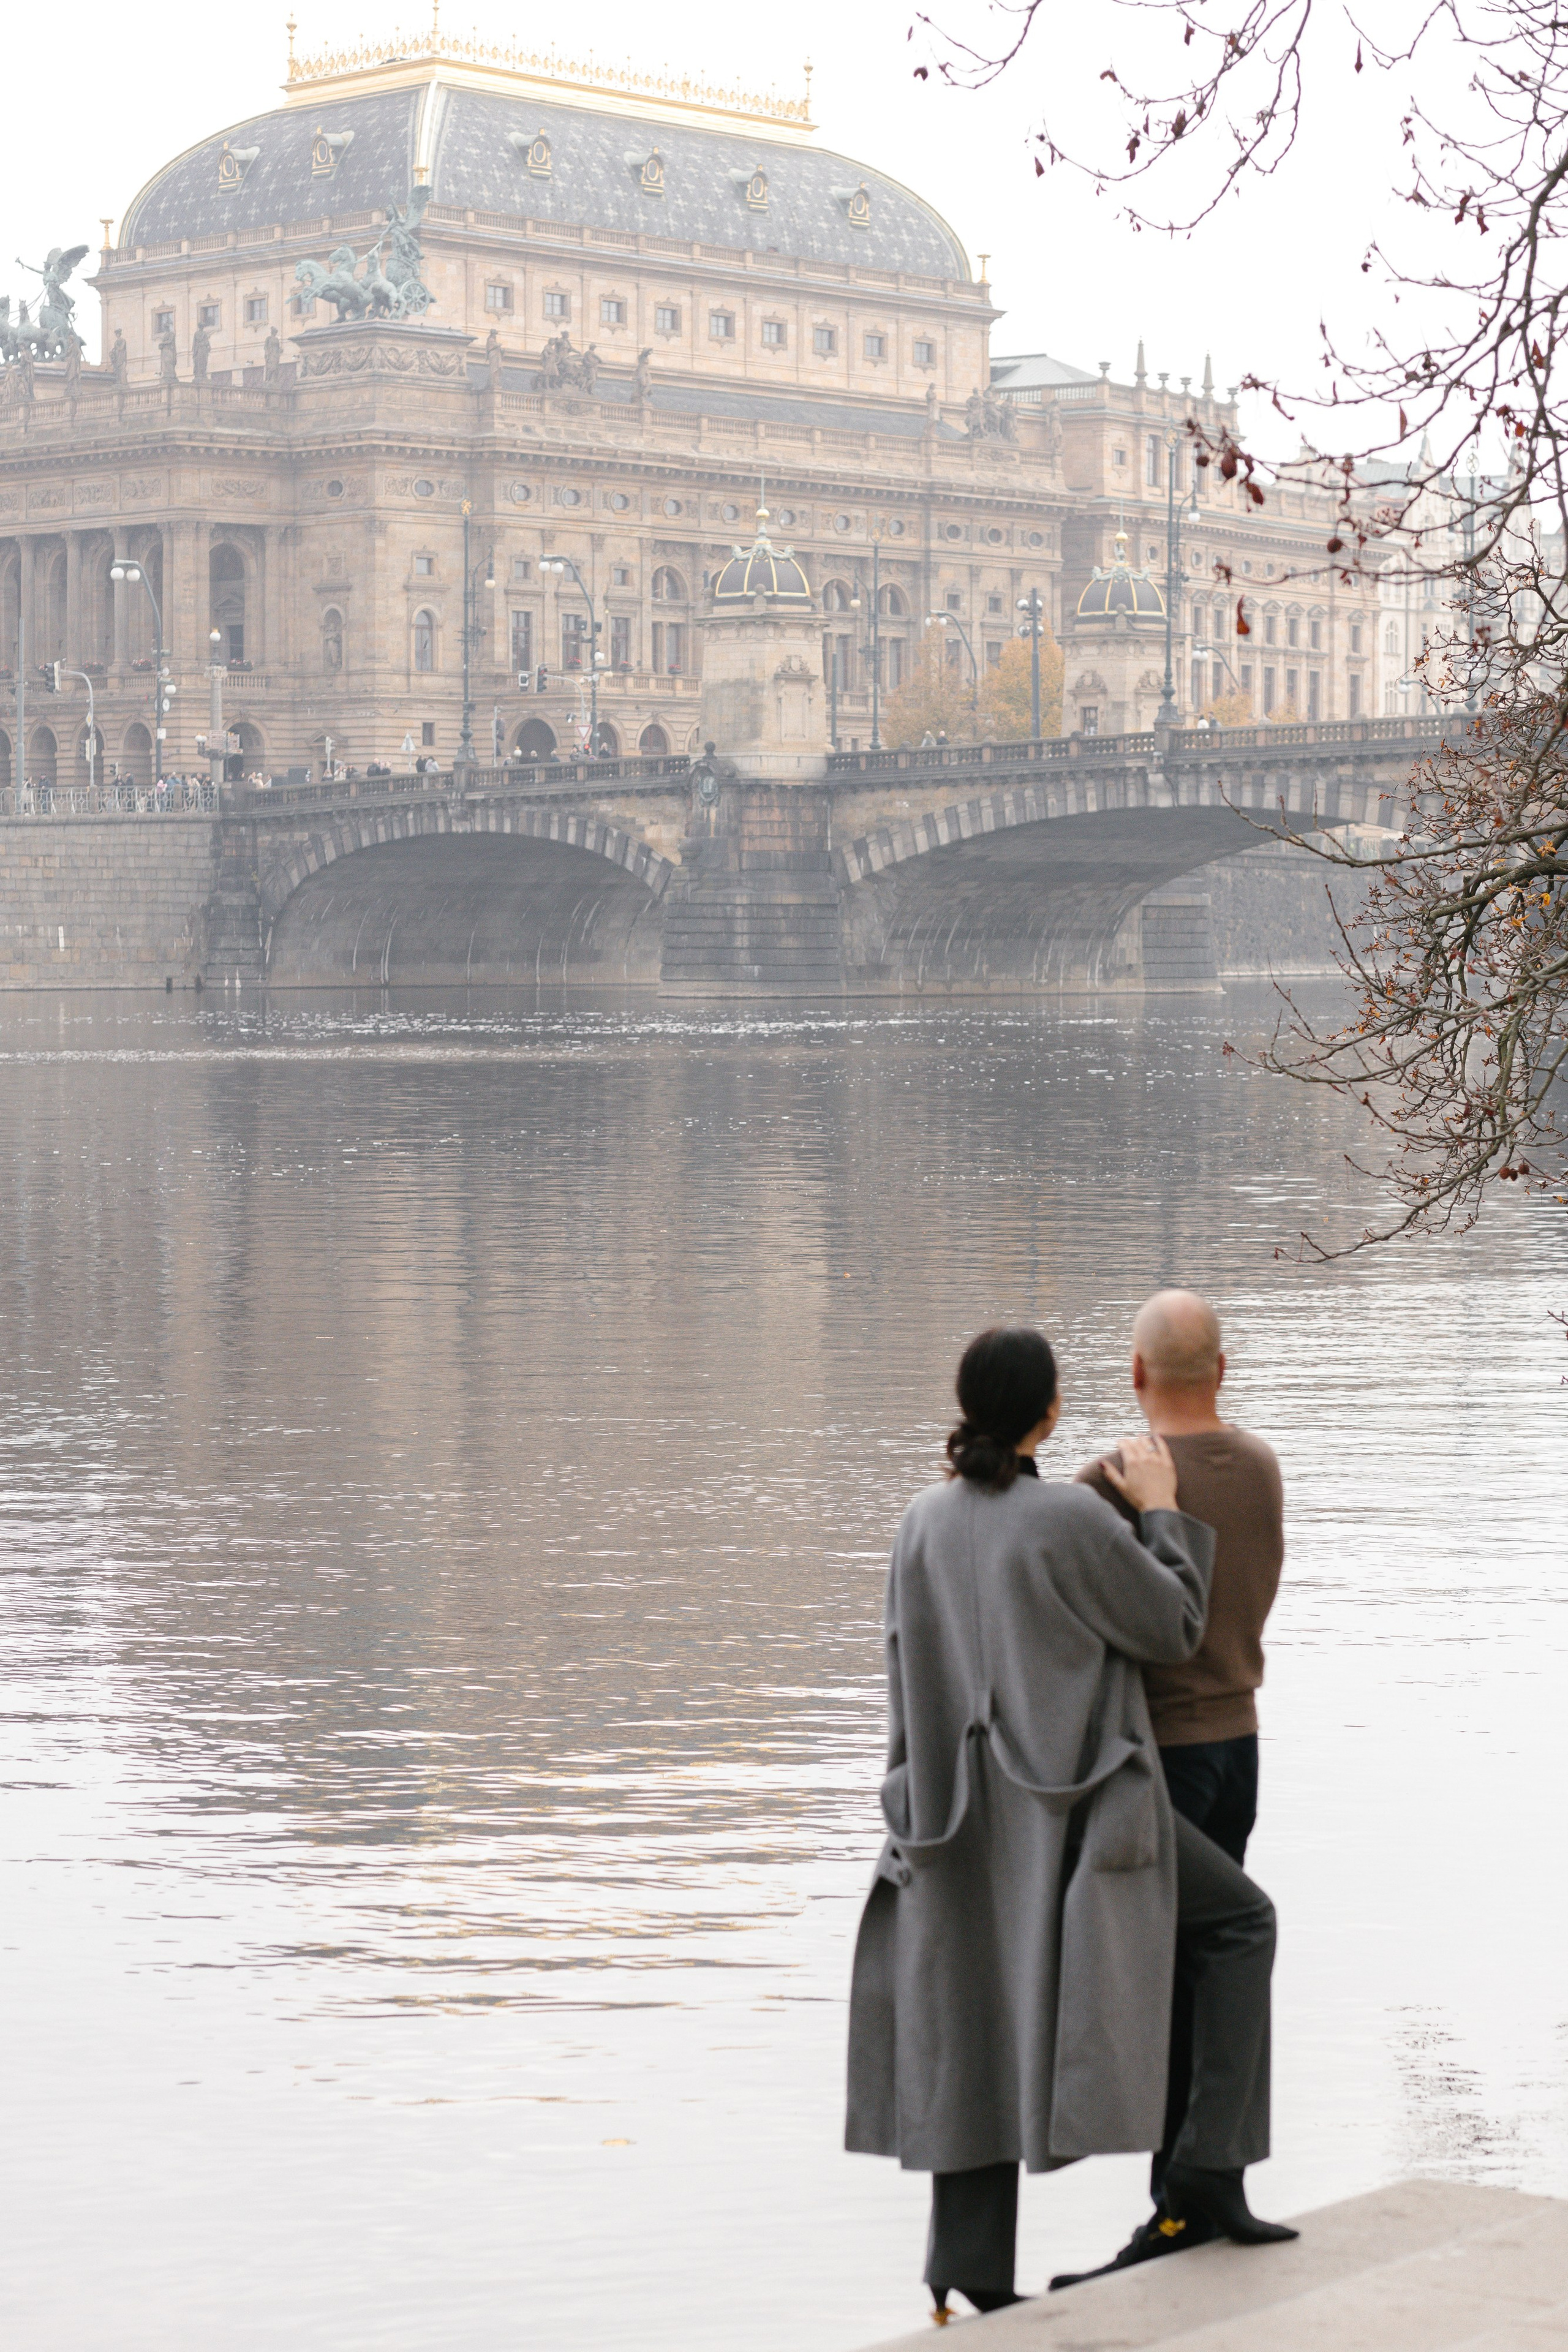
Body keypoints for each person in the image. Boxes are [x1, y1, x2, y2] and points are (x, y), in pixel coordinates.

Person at [846, 1326, 1295, 2324]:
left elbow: (900, 1666)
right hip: (1077, 1813)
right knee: (1240, 1924)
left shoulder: (921, 1521)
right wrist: (1164, 1508)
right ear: (1050, 1412)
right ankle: (1207, 2170)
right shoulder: (1068, 1520)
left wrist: (908, 1806)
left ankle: (967, 2263)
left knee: (971, 2009)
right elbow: (1172, 1624)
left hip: (953, 1818)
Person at [1057, 1290, 1286, 2288]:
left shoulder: (1107, 1483)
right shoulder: (1263, 1465)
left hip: (1163, 1758)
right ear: (1222, 1370)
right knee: (1207, 1968)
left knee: (1176, 1979)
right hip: (1240, 1746)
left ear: (1137, 1373)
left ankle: (1184, 2198)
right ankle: (1197, 2193)